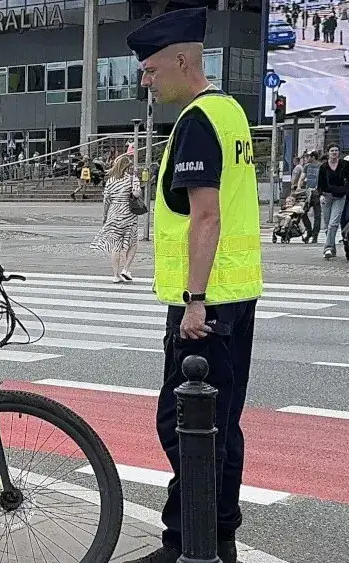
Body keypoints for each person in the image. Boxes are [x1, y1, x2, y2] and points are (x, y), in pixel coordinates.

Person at [124, 8, 263, 563]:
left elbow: (206, 216)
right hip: (237, 293)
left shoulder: (198, 122)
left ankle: (195, 542)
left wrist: (194, 300)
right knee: (219, 423)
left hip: (208, 304)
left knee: (187, 423)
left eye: (152, 69)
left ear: (182, 60)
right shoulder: (230, 113)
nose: (145, 81)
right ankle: (210, 537)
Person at [91, 153, 142, 282]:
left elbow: (106, 200)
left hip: (114, 214)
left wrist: (105, 216)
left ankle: (115, 275)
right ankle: (126, 269)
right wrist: (136, 190)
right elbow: (136, 194)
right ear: (127, 166)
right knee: (133, 243)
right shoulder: (132, 179)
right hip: (128, 214)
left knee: (116, 246)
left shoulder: (110, 181)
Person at [316, 144, 349, 259]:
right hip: (327, 196)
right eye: (332, 150)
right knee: (327, 225)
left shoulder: (344, 164)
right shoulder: (323, 167)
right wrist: (321, 195)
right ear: (328, 152)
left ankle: (327, 248)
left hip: (340, 196)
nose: (334, 152)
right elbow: (320, 183)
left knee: (333, 223)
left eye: (336, 150)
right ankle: (332, 249)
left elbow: (348, 177)